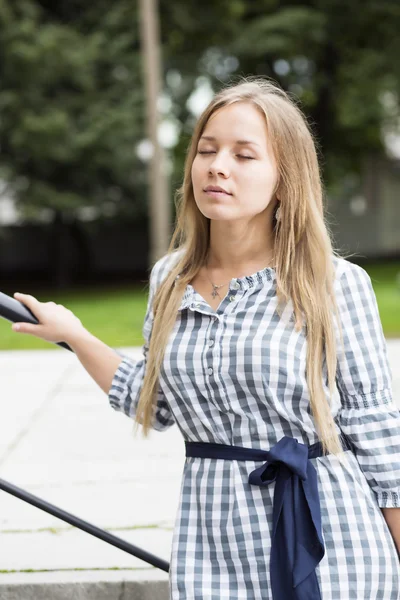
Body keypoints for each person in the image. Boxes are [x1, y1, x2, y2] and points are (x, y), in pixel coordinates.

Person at [11, 77, 400, 599]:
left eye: (244, 155)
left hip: (330, 538)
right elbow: (152, 402)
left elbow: (377, 431)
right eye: (207, 149)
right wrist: (75, 336)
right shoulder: (168, 280)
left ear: (285, 180)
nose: (217, 166)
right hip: (212, 542)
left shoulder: (332, 283)